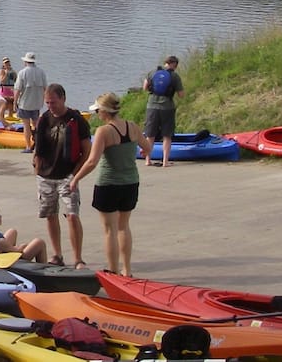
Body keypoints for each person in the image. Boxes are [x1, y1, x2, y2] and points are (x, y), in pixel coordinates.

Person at [70, 93, 153, 277]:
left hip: (108, 184)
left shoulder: (104, 131)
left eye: (98, 111)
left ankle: (113, 269)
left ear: (105, 111)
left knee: (110, 230)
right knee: (124, 226)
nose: (97, 114)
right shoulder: (132, 126)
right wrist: (142, 151)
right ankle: (127, 269)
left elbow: (92, 161)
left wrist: (76, 179)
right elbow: (147, 147)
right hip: (130, 182)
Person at [33, 84, 92, 269]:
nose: (50, 106)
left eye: (54, 102)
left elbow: (87, 150)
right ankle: (57, 255)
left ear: (63, 99)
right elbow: (37, 149)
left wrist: (76, 174)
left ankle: (78, 258)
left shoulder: (76, 119)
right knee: (50, 215)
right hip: (46, 175)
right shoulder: (44, 119)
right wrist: (37, 169)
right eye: (47, 103)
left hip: (67, 175)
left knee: (72, 215)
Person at [142, 55, 185, 167]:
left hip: (151, 107)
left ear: (165, 62)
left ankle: (148, 160)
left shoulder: (152, 72)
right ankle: (165, 162)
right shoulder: (174, 76)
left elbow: (145, 88)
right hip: (167, 108)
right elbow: (181, 95)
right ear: (174, 64)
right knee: (167, 135)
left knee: (150, 135)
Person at [13, 52, 48, 153]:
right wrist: (46, 101)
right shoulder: (41, 72)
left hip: (25, 103)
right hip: (37, 103)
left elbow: (17, 89)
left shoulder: (22, 73)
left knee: (26, 125)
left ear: (25, 62)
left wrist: (15, 102)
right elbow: (46, 88)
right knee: (36, 125)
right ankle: (38, 146)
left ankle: (28, 146)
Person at [0, 57, 18, 126]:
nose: (7, 64)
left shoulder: (12, 71)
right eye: (5, 63)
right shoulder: (2, 71)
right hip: (4, 88)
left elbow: (16, 80)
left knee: (11, 102)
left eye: (8, 62)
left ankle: (10, 116)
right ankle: (1, 116)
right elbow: (1, 81)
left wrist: (14, 74)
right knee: (3, 103)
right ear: (3, 64)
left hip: (11, 88)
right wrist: (6, 73)